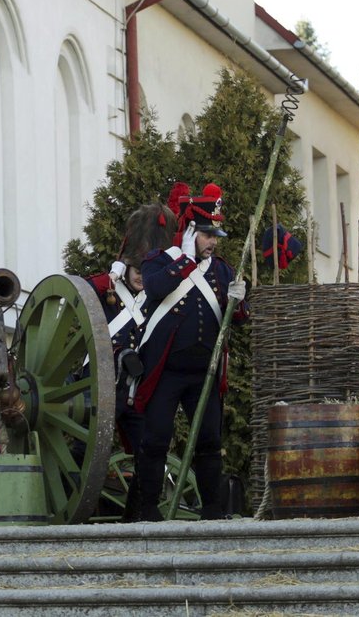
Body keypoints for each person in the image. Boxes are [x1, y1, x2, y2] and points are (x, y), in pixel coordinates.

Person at [133, 183, 248, 521]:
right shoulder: (160, 262)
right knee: (155, 439)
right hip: (166, 371)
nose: (213, 241)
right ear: (190, 232)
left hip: (205, 373)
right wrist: (183, 259)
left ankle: (212, 508)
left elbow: (238, 319)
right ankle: (148, 508)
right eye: (207, 233)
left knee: (210, 441)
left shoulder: (222, 269)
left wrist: (239, 304)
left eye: (216, 235)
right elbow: (154, 288)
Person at [84, 203, 175, 521]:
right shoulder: (108, 288)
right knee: (88, 454)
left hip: (138, 394)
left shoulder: (158, 298)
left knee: (151, 452)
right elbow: (80, 291)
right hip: (102, 386)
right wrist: (111, 274)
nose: (141, 277)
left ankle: (136, 514)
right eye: (136, 270)